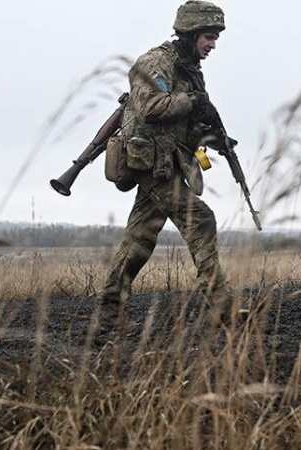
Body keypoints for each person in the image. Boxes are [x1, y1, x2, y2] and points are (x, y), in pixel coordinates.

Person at [96, 1, 239, 334]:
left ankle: (108, 316)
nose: (212, 44)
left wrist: (214, 138)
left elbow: (182, 124)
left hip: (167, 163)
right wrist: (193, 101)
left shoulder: (188, 68)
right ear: (190, 33)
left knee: (139, 240)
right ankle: (221, 308)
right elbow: (150, 107)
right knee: (200, 219)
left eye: (215, 37)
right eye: (208, 36)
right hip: (150, 164)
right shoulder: (157, 61)